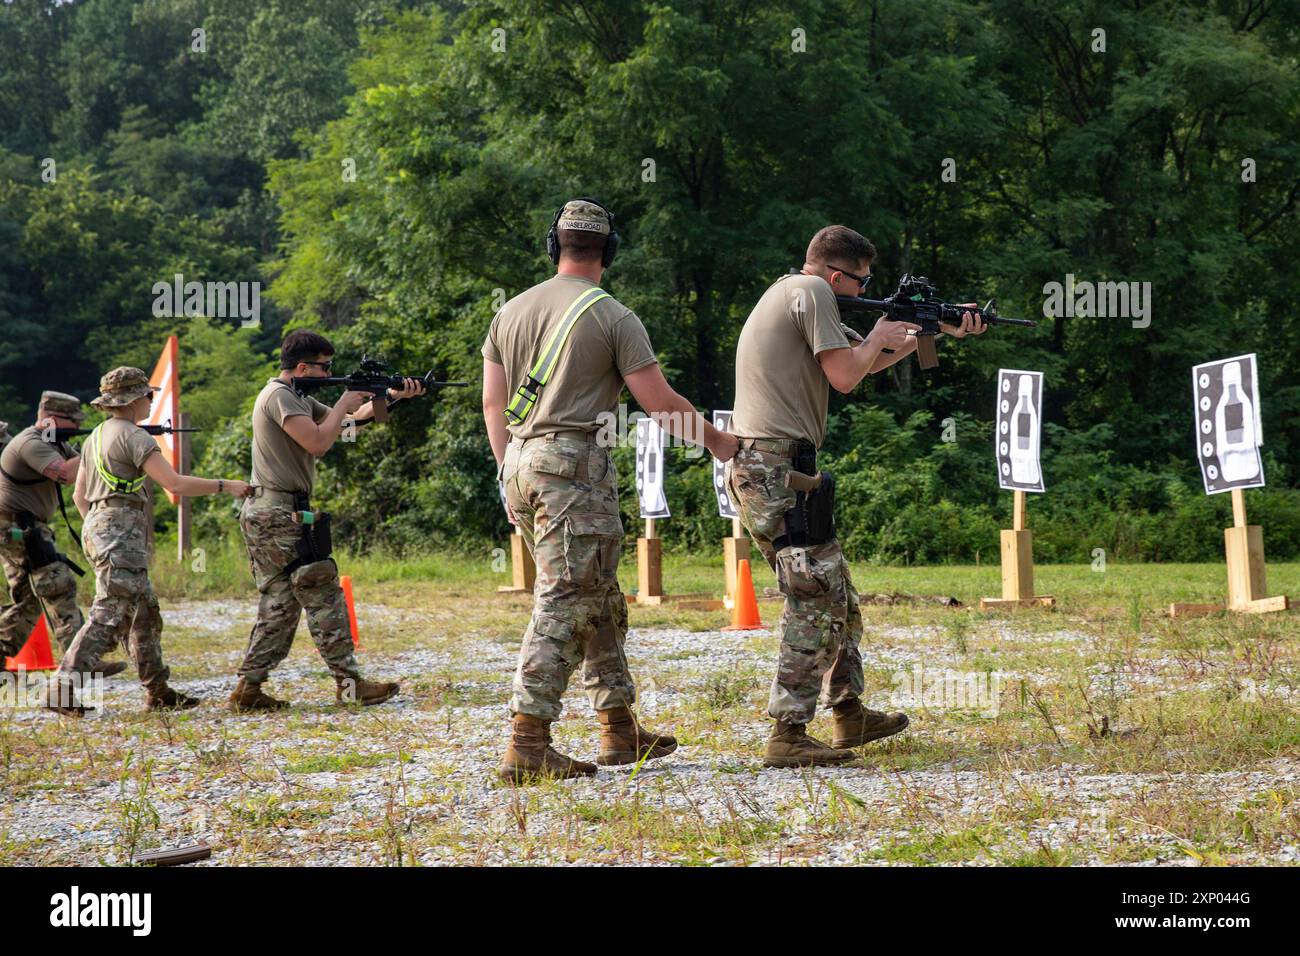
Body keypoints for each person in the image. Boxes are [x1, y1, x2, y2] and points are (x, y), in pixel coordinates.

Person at [482, 198, 740, 783]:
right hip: (572, 467)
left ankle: (619, 728)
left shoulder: (510, 312)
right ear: (610, 251)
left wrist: (506, 470)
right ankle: (527, 740)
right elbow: (659, 404)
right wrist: (722, 443)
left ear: (555, 247)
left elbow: (493, 403)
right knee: (568, 598)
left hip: (520, 460)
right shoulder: (613, 316)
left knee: (598, 595)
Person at [727, 225, 986, 767]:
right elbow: (846, 376)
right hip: (774, 466)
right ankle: (787, 732)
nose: (864, 291)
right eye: (862, 282)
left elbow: (864, 358)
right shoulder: (813, 293)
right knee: (813, 595)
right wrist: (883, 333)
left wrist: (933, 332)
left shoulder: (797, 292)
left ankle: (848, 713)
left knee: (835, 589)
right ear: (836, 274)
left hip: (785, 467)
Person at [228, 330, 423, 712]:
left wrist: (394, 396)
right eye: (325, 366)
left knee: (281, 605)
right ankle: (349, 685)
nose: (329, 372)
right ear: (302, 367)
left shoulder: (296, 396)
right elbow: (318, 442)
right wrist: (344, 401)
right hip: (276, 512)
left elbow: (349, 426)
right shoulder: (280, 397)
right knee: (321, 591)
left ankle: (248, 690)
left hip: (280, 511)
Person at [45, 368, 251, 715]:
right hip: (121, 529)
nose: (151, 401)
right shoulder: (136, 438)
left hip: (100, 525)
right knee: (109, 612)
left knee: (144, 612)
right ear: (133, 399)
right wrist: (225, 485)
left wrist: (98, 527)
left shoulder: (95, 436)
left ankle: (158, 690)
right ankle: (61, 687)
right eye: (148, 396)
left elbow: (80, 494)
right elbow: (174, 483)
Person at [0, 391, 122, 671]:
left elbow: (86, 470)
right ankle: (79, 662)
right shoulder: (31, 443)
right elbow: (66, 474)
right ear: (53, 419)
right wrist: (100, 443)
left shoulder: (54, 443)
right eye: (73, 421)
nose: (78, 426)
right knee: (58, 585)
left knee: (28, 603)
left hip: (23, 527)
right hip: (16, 529)